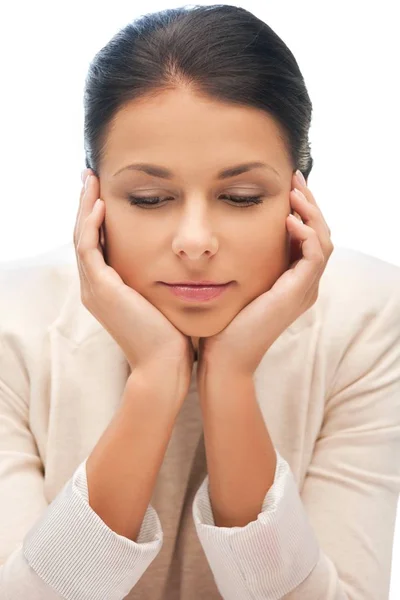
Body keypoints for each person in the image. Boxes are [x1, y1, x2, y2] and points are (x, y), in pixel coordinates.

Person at [1, 4, 399, 599]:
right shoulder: (13, 320)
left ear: (298, 193)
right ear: (93, 197)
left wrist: (231, 377)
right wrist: (157, 378)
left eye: (239, 197)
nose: (194, 242)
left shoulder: (370, 317)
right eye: (149, 197)